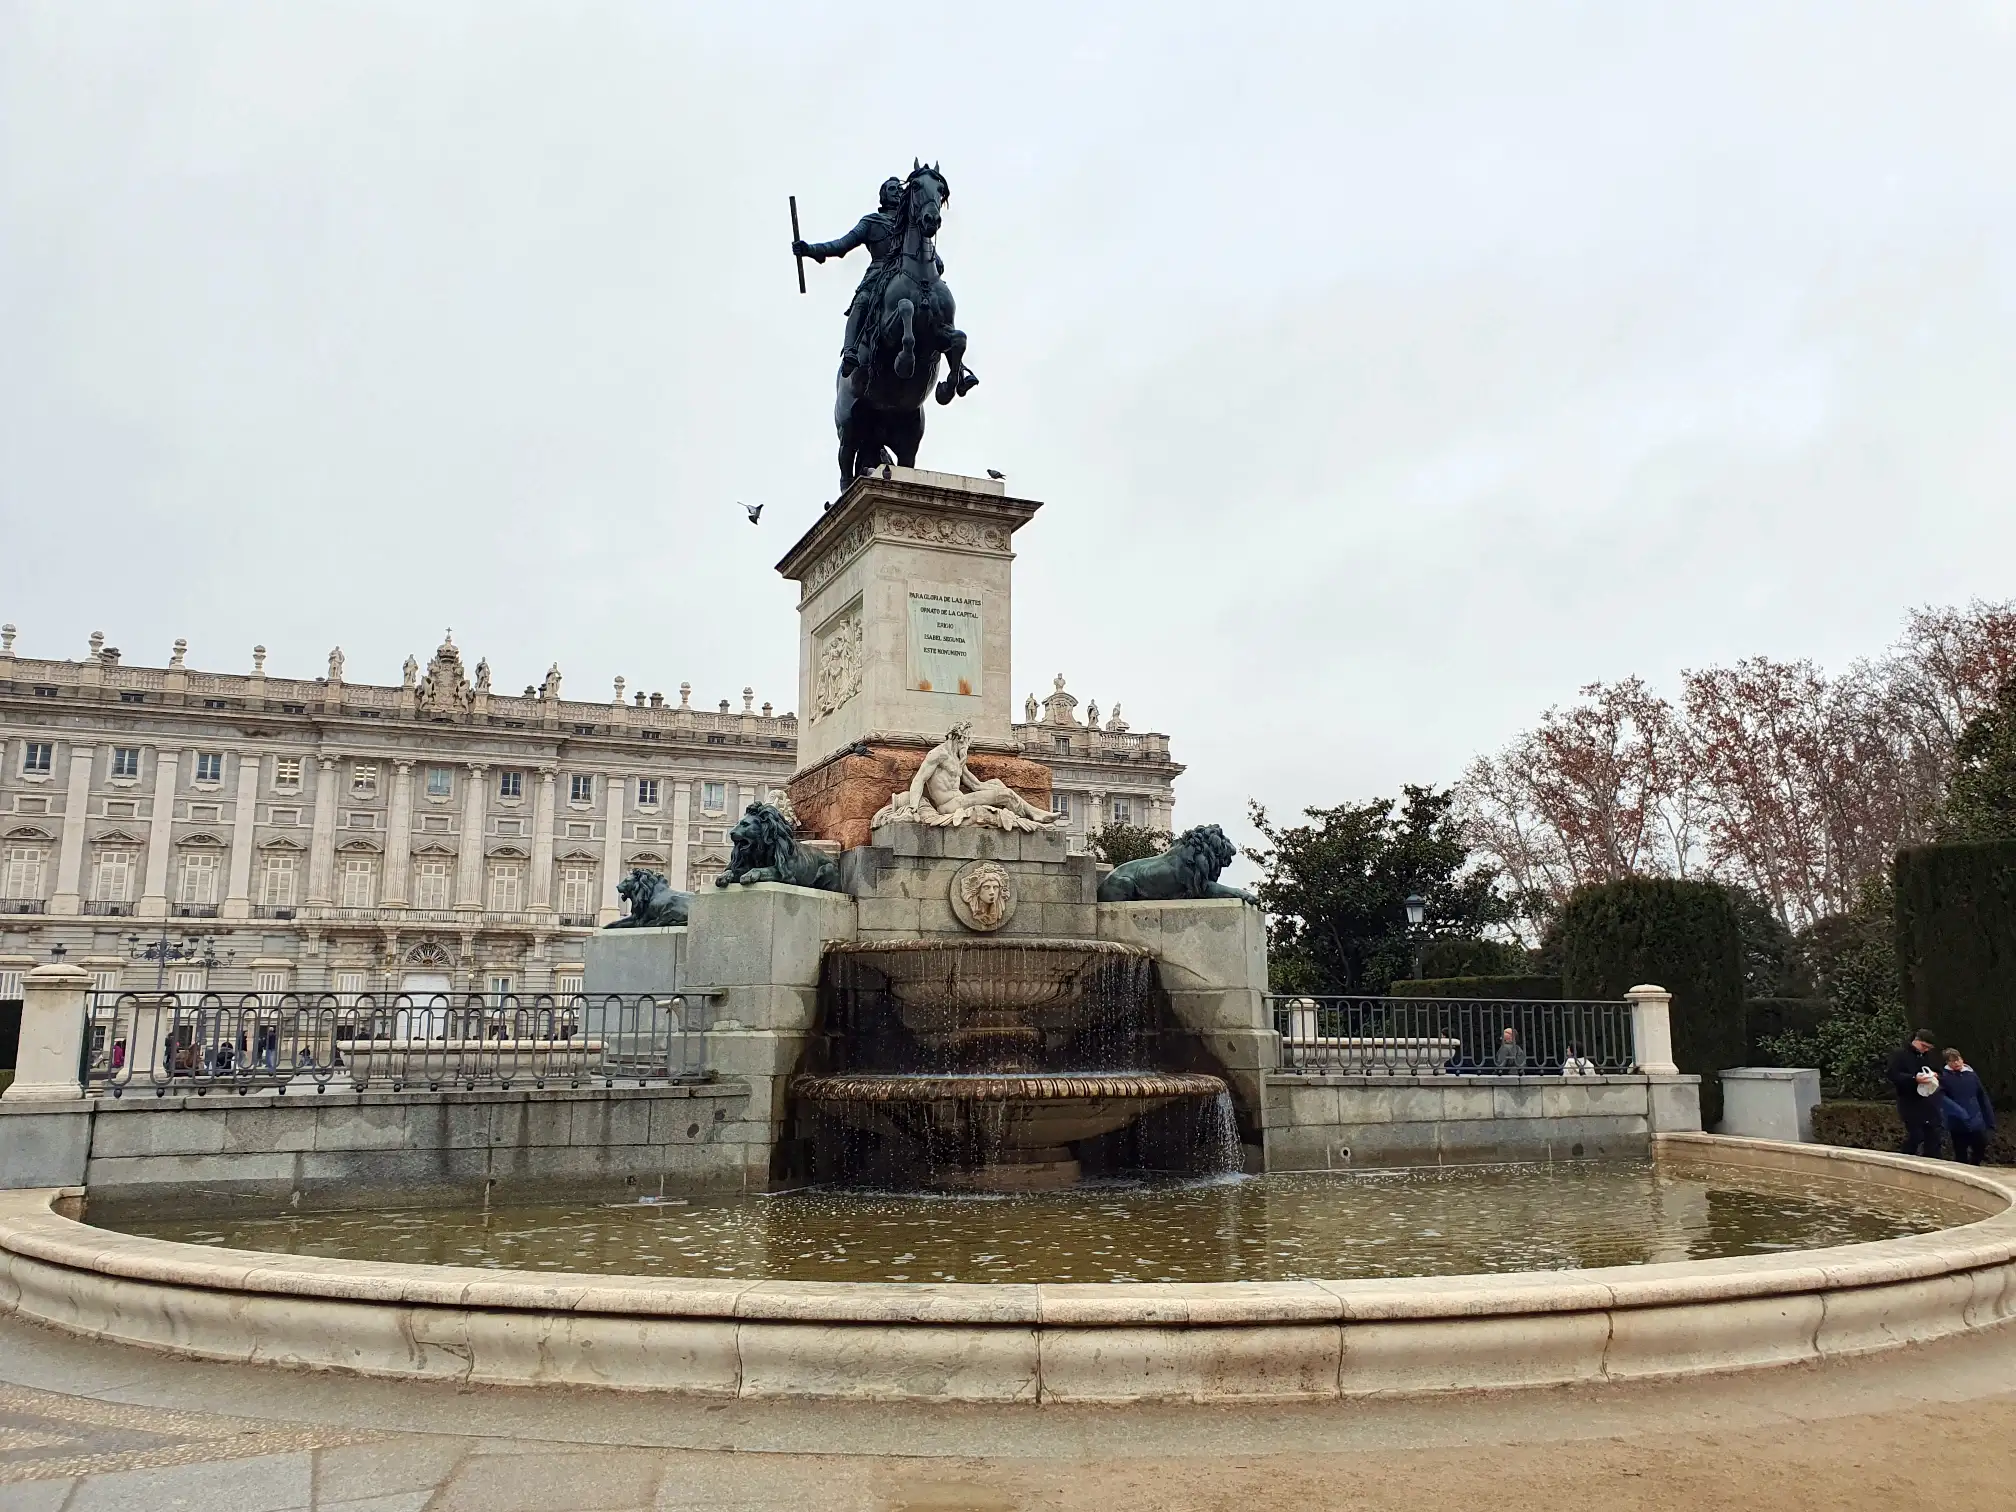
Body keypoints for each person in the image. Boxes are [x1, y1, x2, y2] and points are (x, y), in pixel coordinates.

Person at [1886, 1029, 1945, 1159]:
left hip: (1929, 1099)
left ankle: (1931, 1162)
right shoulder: (1900, 1054)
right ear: (1916, 1040)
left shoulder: (1929, 1056)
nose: (1925, 1050)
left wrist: (1935, 1075)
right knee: (1916, 1135)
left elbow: (1940, 1072)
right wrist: (1913, 1079)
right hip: (1909, 1099)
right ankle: (1905, 1159)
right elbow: (1893, 1074)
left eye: (1928, 1048)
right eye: (1923, 1046)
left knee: (1934, 1135)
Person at [1939, 1049, 1996, 1165]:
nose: (1956, 1063)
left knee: (1980, 1146)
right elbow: (1942, 1098)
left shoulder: (1971, 1074)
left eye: (1957, 1060)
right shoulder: (1944, 1077)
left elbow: (1982, 1096)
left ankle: (1974, 1165)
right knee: (1961, 1153)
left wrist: (1990, 1120)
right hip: (1957, 1122)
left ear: (1962, 1059)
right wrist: (1958, 1112)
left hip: (1976, 1119)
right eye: (1952, 1061)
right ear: (1947, 1063)